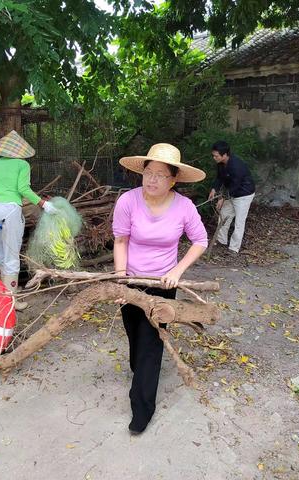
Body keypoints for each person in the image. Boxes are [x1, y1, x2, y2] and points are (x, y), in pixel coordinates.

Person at [112, 143, 208, 434]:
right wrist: (120, 278)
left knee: (152, 342)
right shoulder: (127, 201)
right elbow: (121, 241)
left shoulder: (184, 207)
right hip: (131, 282)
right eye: (148, 172)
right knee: (134, 336)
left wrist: (177, 271)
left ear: (173, 179)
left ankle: (142, 408)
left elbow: (200, 241)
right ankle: (139, 371)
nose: (152, 179)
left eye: (160, 175)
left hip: (163, 287)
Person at [0, 130, 58, 311]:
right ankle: (10, 302)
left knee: (0, 255)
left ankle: (2, 298)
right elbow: (23, 189)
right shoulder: (22, 165)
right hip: (10, 211)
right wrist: (43, 203)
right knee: (12, 256)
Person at [208, 140, 255, 254]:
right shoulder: (220, 163)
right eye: (213, 155)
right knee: (224, 216)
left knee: (239, 222)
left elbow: (235, 185)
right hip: (231, 194)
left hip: (244, 195)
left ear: (225, 155)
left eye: (216, 156)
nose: (214, 158)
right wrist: (214, 189)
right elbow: (219, 178)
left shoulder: (236, 165)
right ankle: (221, 241)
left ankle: (234, 248)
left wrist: (223, 198)